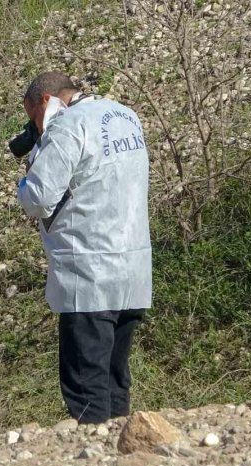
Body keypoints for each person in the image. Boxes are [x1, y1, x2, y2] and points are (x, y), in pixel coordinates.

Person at [14, 71, 153, 424]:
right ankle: (121, 454)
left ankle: (96, 461)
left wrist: (25, 179)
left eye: (34, 118)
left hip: (88, 273)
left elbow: (40, 197)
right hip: (132, 270)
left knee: (85, 383)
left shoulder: (67, 127)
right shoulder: (125, 115)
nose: (37, 129)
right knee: (115, 379)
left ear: (46, 102)